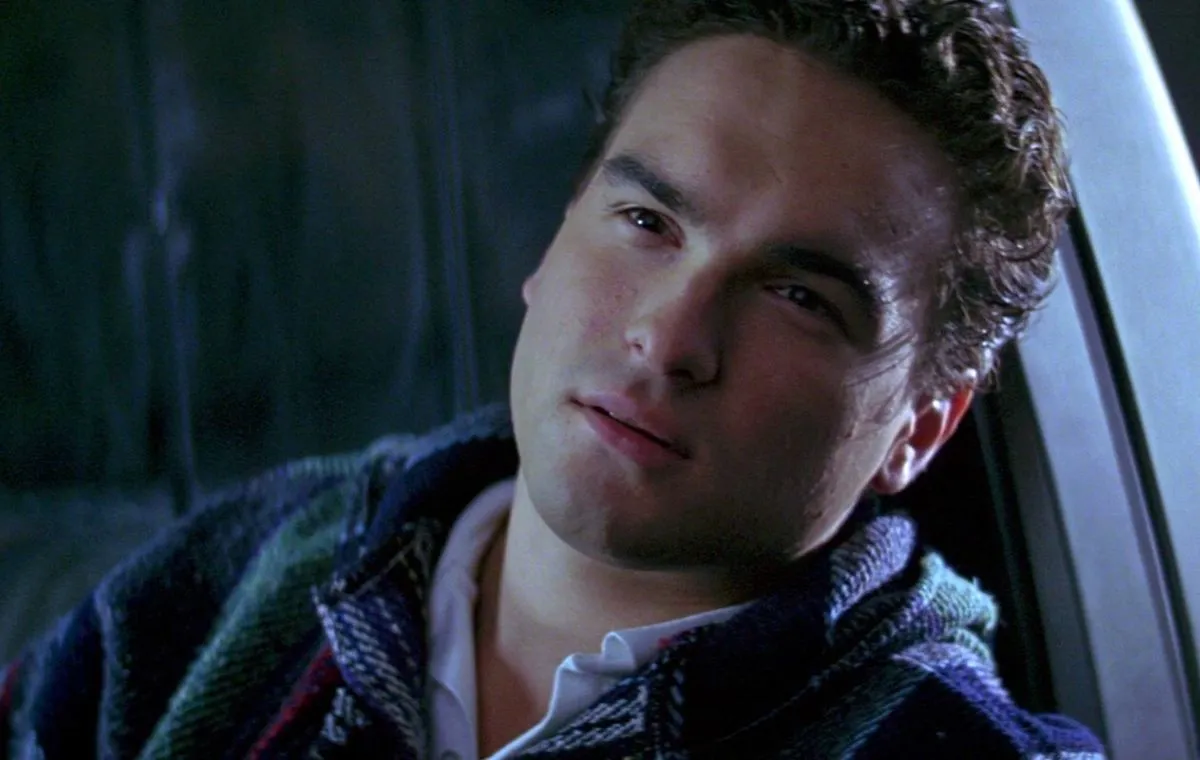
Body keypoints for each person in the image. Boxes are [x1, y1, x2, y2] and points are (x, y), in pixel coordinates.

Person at [1, 0, 1107, 757]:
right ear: (555, 235)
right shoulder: (242, 571)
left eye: (798, 297)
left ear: (920, 425)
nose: (668, 337)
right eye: (647, 222)